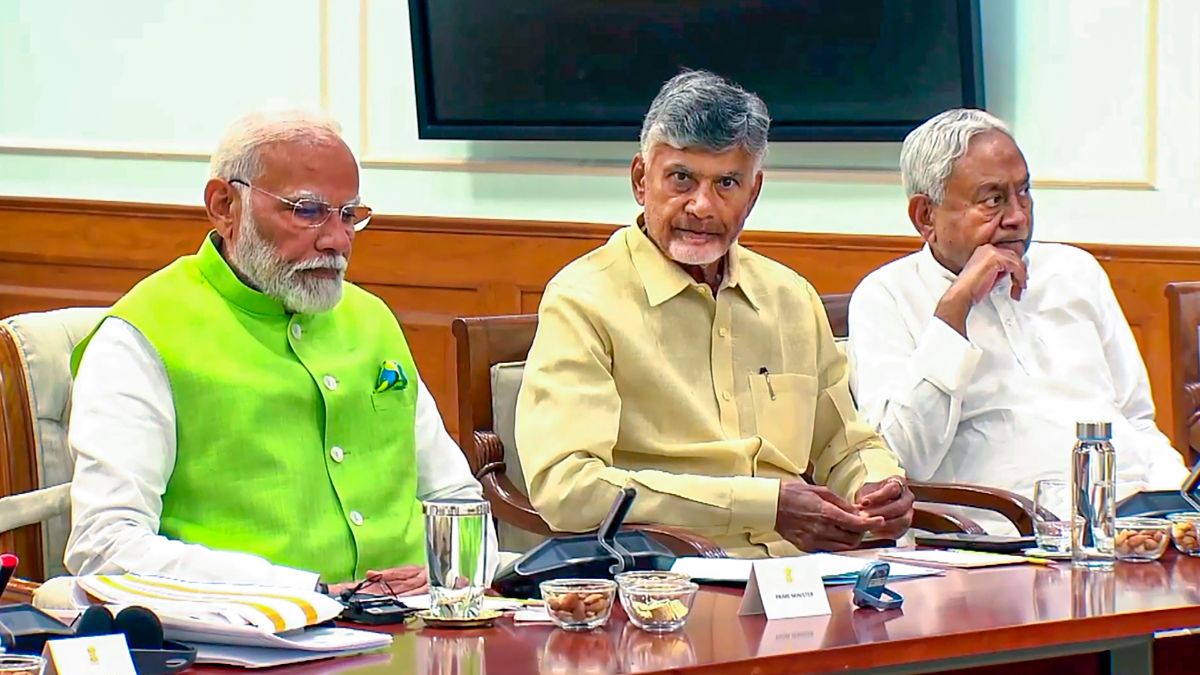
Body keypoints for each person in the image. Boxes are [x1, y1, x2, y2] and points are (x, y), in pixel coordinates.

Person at [64, 109, 495, 595]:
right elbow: (104, 546)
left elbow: (455, 497)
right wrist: (303, 590)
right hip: (255, 639)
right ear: (225, 206)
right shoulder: (141, 335)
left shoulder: (371, 318)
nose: (337, 241)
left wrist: (453, 570)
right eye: (307, 211)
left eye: (349, 215)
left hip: (420, 624)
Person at [514, 71, 912, 557]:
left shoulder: (790, 297)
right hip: (666, 584)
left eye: (727, 183)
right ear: (642, 180)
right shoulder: (583, 301)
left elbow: (845, 445)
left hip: (807, 577)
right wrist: (760, 505)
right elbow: (568, 489)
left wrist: (878, 486)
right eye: (681, 178)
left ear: (754, 193)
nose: (702, 206)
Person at [848, 108, 1189, 532]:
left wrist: (1182, 505)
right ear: (925, 216)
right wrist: (954, 310)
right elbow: (899, 457)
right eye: (993, 200)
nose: (1018, 217)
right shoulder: (886, 297)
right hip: (1009, 539)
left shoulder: (1074, 271)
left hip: (1137, 524)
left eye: (1023, 193)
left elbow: (1136, 418)